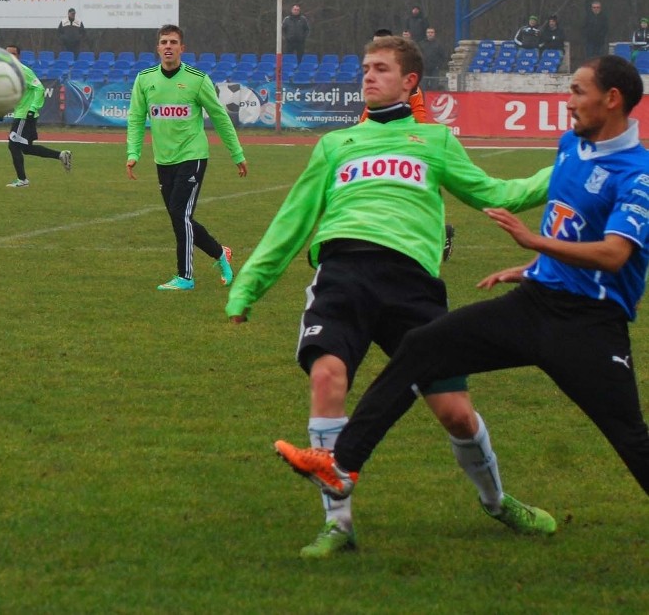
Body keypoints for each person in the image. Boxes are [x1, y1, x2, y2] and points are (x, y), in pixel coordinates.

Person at [276, 55, 649, 527]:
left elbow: (615, 254)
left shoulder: (638, 174)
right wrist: (534, 265)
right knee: (420, 347)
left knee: (631, 439)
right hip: (535, 304)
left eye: (577, 91)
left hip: (589, 327)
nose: (568, 101)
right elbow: (574, 229)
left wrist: (533, 240)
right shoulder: (570, 146)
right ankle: (341, 465)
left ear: (611, 99)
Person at [229, 36, 555, 559]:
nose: (367, 76)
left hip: (413, 285)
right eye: (364, 68)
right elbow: (293, 220)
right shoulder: (336, 145)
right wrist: (249, 284)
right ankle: (338, 525)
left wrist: (562, 172)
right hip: (344, 273)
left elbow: (497, 195)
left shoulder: (436, 142)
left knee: (454, 412)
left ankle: (496, 502)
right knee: (327, 376)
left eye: (380, 69)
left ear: (409, 81)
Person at [126, 23, 247, 291]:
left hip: (193, 155)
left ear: (182, 48)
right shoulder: (144, 79)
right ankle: (219, 253)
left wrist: (236, 153)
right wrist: (133, 153)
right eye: (164, 42)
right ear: (158, 48)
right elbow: (135, 119)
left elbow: (220, 118)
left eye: (173, 42)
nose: (168, 46)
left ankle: (185, 277)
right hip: (163, 159)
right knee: (180, 218)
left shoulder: (197, 79)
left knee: (180, 213)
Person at [360, 28, 455, 262]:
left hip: (403, 142)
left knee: (414, 195)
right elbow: (369, 114)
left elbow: (419, 114)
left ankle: (440, 232)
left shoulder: (406, 87)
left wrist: (415, 141)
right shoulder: (377, 86)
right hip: (380, 140)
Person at [4, 43, 72, 188]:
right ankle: (61, 155)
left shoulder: (23, 71)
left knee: (13, 146)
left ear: (19, 56)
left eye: (13, 54)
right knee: (26, 148)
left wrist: (33, 108)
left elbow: (39, 88)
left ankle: (22, 180)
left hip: (25, 115)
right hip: (22, 113)